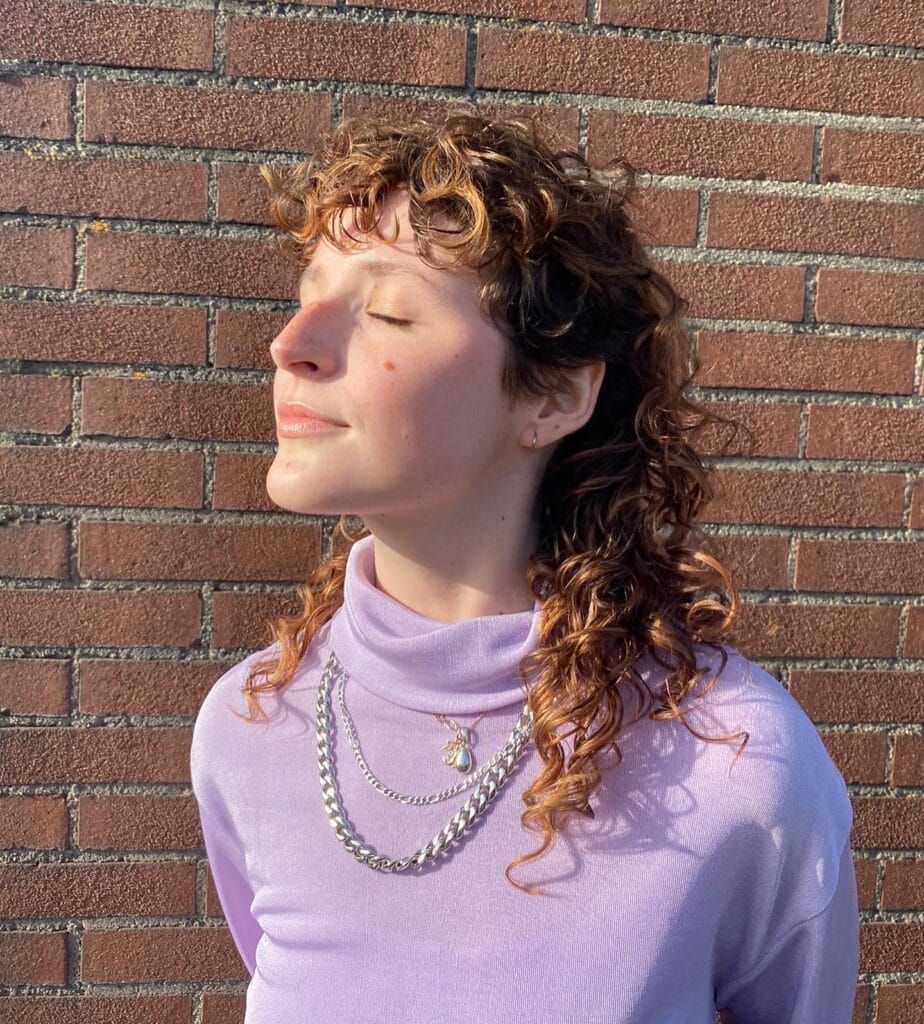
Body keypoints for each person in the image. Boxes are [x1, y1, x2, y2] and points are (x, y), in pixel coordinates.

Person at [190, 109, 860, 1023]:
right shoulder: (249, 727)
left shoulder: (738, 767)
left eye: (387, 308)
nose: (291, 343)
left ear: (553, 393)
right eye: (308, 291)